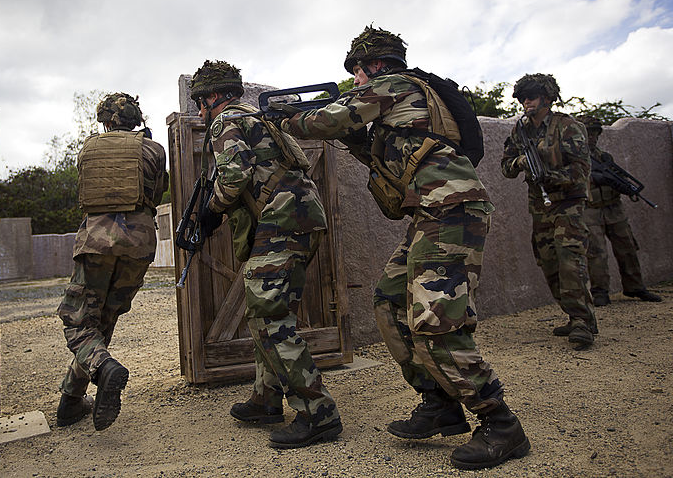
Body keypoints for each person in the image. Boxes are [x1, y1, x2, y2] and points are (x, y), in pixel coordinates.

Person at [278, 26, 528, 470]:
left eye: (357, 71)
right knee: (390, 303)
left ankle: (501, 424)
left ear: (371, 65)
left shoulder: (396, 84)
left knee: (437, 322)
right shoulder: (402, 110)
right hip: (431, 215)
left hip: (452, 211)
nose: (355, 80)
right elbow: (379, 156)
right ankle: (439, 404)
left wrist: (286, 120)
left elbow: (327, 120)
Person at [189, 59, 342, 449]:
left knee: (270, 317)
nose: (200, 111)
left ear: (213, 98)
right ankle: (267, 398)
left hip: (282, 221)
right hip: (303, 219)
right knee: (268, 312)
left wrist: (211, 211)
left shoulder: (226, 122)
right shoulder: (260, 118)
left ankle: (317, 413)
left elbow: (235, 177)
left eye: (200, 102)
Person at [55, 93, 168, 430]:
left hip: (97, 240)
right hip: (139, 242)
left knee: (79, 322)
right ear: (136, 120)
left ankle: (104, 369)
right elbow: (157, 192)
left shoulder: (89, 148)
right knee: (103, 320)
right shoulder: (154, 150)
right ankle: (71, 401)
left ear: (105, 121)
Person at [501, 74, 598, 349]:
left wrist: (550, 174)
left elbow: (582, 170)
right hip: (540, 206)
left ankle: (582, 321)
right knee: (549, 262)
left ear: (546, 98)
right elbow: (506, 167)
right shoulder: (520, 131)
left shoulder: (569, 127)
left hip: (568, 202)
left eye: (530, 96)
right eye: (521, 98)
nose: (525, 102)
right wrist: (520, 161)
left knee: (570, 259)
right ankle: (573, 314)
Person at [578, 115, 662, 306]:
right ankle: (600, 292)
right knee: (596, 253)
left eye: (594, 133)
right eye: (588, 133)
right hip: (590, 209)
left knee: (627, 247)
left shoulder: (604, 157)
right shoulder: (574, 157)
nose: (592, 137)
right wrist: (596, 178)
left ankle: (635, 287)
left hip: (613, 207)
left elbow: (617, 177)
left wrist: (625, 188)